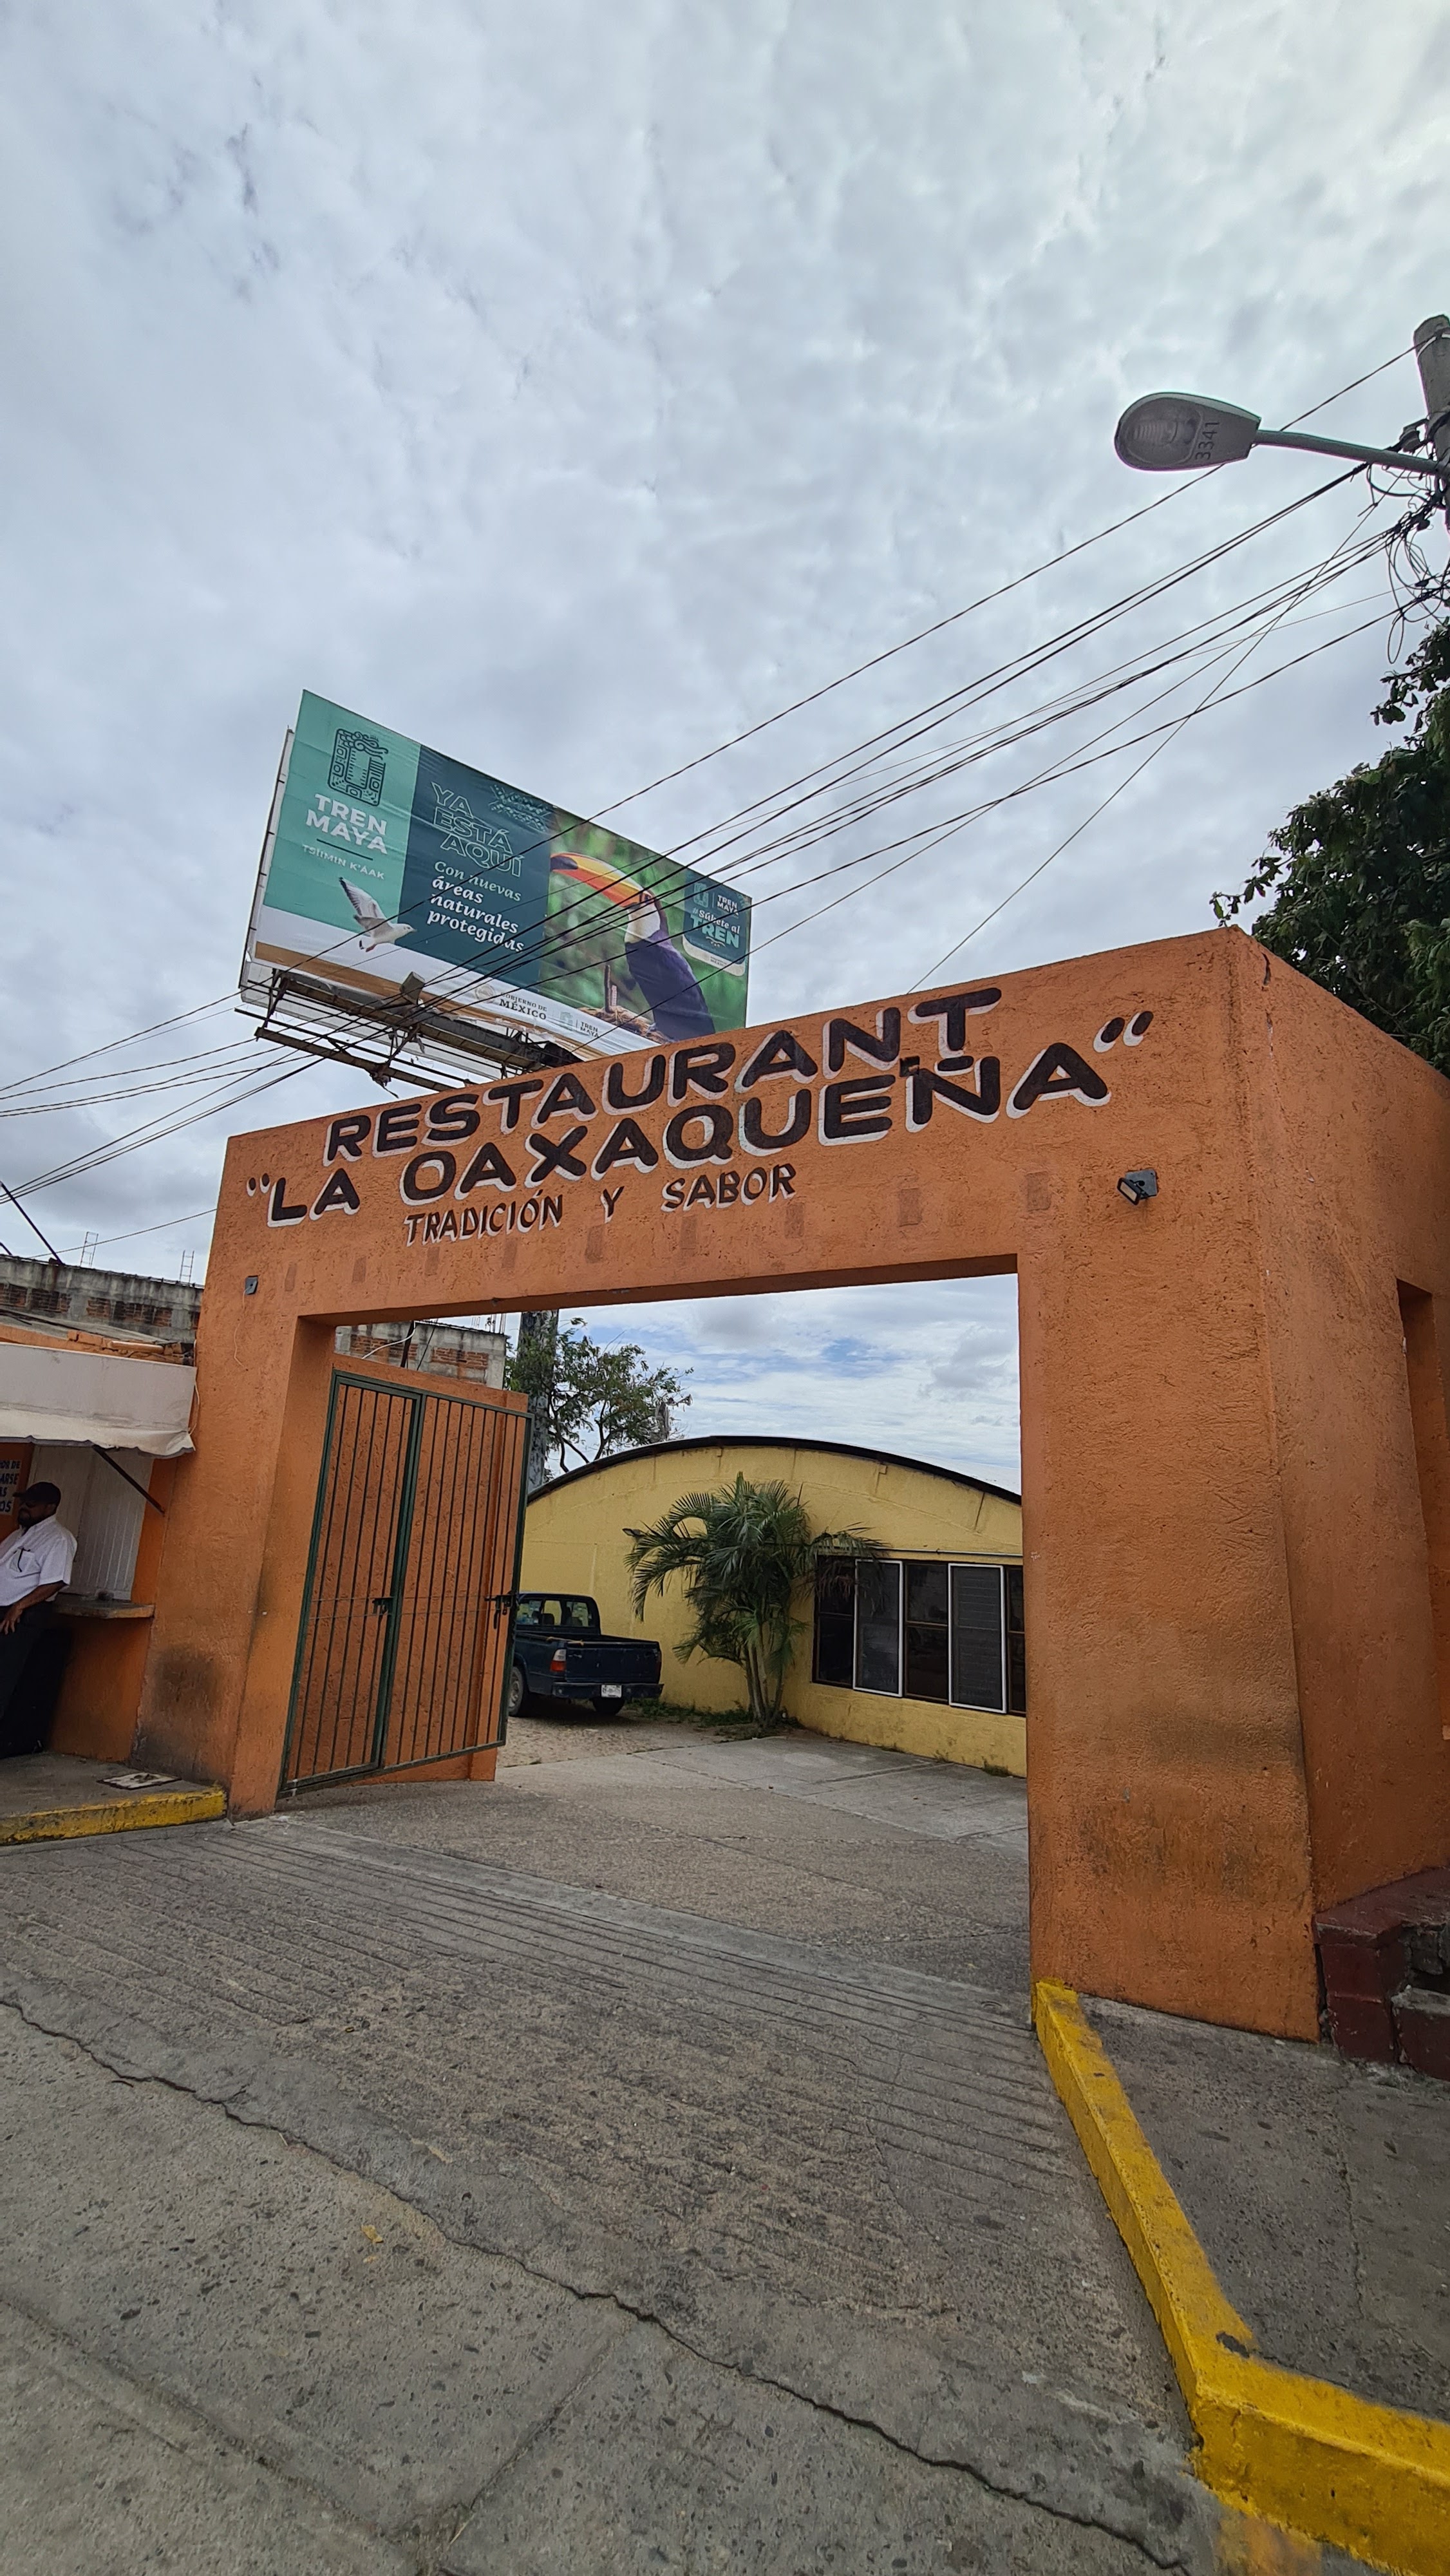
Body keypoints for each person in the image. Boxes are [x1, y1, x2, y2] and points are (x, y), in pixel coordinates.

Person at [0, 1482, 77, 1756]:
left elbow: (55, 1581)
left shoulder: (58, 1539)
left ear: (50, 1508)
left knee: (4, 1677)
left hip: (21, 1616)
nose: (24, 1508)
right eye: (23, 1502)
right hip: (4, 1609)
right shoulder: (17, 1536)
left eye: (31, 1505)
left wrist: (19, 1606)